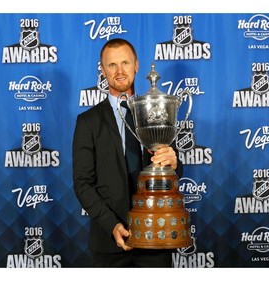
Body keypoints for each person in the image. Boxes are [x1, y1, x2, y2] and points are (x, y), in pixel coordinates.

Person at [72, 38, 183, 267]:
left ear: (137, 66)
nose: (120, 71)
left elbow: (173, 171)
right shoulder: (87, 122)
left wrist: (174, 162)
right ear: (102, 70)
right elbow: (82, 183)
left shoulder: (157, 111)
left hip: (156, 235)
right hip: (109, 243)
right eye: (112, 65)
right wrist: (112, 224)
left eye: (125, 63)